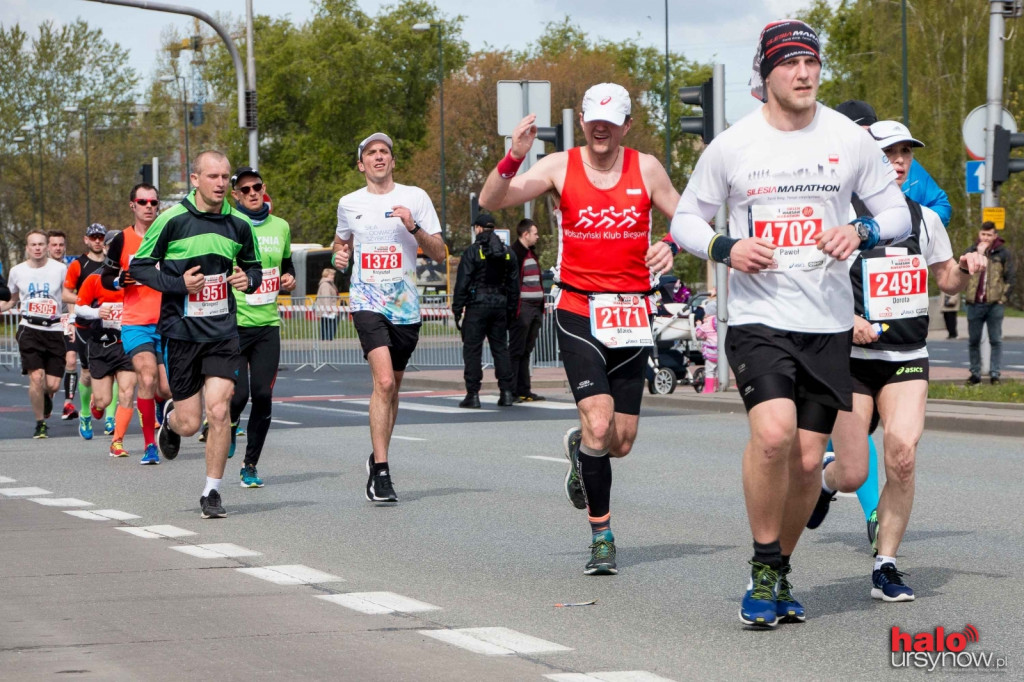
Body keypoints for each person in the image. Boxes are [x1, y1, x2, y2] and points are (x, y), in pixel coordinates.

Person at [670, 20, 912, 626]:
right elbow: (684, 222)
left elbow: (895, 214)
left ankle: (779, 568)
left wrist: (860, 230)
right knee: (774, 436)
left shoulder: (848, 140)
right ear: (768, 73)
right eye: (791, 64)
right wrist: (725, 247)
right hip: (758, 317)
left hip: (826, 322)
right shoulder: (732, 145)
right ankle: (761, 565)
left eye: (812, 63)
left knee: (809, 462)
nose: (804, 74)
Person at [479, 82, 678, 576]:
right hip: (579, 308)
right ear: (584, 122)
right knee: (599, 423)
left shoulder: (646, 167)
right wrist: (513, 158)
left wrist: (672, 241)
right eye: (594, 120)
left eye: (611, 121)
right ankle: (603, 535)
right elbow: (492, 199)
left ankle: (581, 453)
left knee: (621, 440)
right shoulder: (560, 166)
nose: (602, 128)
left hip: (632, 312)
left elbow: (695, 215)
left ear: (626, 125)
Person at [807, 120, 987, 602]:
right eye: (889, 153)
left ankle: (885, 565)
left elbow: (945, 279)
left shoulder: (924, 219)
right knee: (852, 473)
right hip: (852, 357)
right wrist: (848, 319)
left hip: (907, 356)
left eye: (906, 152)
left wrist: (965, 267)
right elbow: (811, 285)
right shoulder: (843, 216)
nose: (900, 161)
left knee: (902, 458)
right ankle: (826, 483)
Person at [131, 150, 263, 518]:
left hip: (222, 330)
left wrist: (246, 280)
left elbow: (254, 270)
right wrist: (177, 284)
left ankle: (212, 492)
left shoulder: (239, 224)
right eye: (213, 177)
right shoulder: (171, 220)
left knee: (219, 410)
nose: (221, 183)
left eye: (225, 178)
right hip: (183, 331)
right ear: (195, 179)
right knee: (190, 423)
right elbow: (140, 267)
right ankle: (170, 423)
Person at [332, 132, 446, 503]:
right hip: (366, 300)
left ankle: (377, 455)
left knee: (392, 388)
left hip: (404, 305)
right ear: (361, 164)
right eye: (371, 153)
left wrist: (413, 226)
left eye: (385, 152)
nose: (379, 157)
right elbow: (341, 241)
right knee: (382, 382)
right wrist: (339, 257)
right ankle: (381, 470)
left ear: (393, 161)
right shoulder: (349, 203)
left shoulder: (415, 198)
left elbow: (441, 253)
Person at [228, 166, 297, 487]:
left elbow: (287, 265)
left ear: (263, 187)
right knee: (238, 395)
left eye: (256, 187)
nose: (252, 192)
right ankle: (228, 424)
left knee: (262, 395)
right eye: (245, 189)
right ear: (236, 195)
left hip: (268, 324)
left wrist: (289, 279)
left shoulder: (281, 226)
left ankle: (250, 464)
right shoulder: (230, 224)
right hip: (235, 324)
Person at [102, 184, 171, 461]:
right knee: (146, 375)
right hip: (136, 323)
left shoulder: (168, 237)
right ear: (132, 205)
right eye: (142, 201)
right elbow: (106, 277)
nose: (149, 206)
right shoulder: (122, 239)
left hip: (168, 323)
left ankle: (156, 403)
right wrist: (120, 280)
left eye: (154, 202)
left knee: (166, 389)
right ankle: (149, 446)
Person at [74, 231, 144, 460]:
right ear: (106, 251)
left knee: (126, 393)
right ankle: (96, 403)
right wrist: (96, 312)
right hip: (100, 344)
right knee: (104, 401)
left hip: (126, 343)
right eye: (112, 248)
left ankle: (117, 441)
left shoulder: (136, 279)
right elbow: (79, 307)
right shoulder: (95, 278)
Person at [834, 100, 952, 227]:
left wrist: (909, 225)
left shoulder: (907, 165)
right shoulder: (825, 174)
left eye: (869, 133)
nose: (865, 141)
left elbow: (941, 206)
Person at [1, 230, 68, 438]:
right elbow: (12, 300)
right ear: (27, 248)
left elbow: (68, 297)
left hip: (55, 329)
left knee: (53, 384)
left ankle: (47, 396)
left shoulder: (60, 269)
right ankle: (40, 423)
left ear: (47, 246)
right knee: (36, 378)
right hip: (29, 328)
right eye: (33, 245)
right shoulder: (17, 271)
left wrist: (71, 321)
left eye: (41, 244)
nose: (38, 248)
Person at [452, 213, 519, 408]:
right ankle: (506, 393)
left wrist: (457, 308)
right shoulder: (508, 253)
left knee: (472, 350)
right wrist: (511, 310)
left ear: (479, 229)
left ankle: (473, 395)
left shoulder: (473, 252)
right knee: (501, 349)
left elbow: (462, 283)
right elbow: (514, 286)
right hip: (500, 306)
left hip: (476, 307)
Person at [63, 223, 111, 438]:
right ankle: (84, 414)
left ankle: (111, 418)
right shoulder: (78, 265)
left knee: (114, 371)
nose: (98, 241)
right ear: (86, 240)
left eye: (101, 237)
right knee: (88, 373)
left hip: (109, 323)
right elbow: (66, 294)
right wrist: (87, 302)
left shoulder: (112, 265)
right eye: (94, 237)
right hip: (85, 325)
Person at [964, 221, 1015, 385]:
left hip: (994, 304)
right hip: (974, 303)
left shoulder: (1002, 253)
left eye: (989, 235)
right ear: (979, 234)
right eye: (983, 234)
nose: (985, 238)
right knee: (973, 341)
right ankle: (975, 374)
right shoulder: (971, 251)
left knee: (995, 340)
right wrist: (979, 253)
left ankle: (995, 374)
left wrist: (1003, 297)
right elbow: (963, 273)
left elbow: (1010, 277)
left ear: (995, 236)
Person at [509, 218, 546, 402]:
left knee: (526, 350)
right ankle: (512, 390)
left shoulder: (531, 253)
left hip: (535, 309)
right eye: (535, 233)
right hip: (522, 309)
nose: (537, 237)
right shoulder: (515, 253)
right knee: (516, 350)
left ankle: (524, 389)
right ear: (525, 234)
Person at [46, 229, 81, 422]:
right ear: (47, 247)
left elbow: (71, 297)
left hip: (64, 319)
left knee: (71, 359)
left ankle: (68, 403)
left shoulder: (70, 268)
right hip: (45, 324)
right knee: (48, 370)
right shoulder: (41, 269)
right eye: (54, 245)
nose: (58, 248)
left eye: (61, 245)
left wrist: (73, 320)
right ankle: (47, 397)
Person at [693, 304, 718, 393]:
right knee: (719, 372)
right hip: (721, 352)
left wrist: (698, 325)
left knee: (710, 371)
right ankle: (718, 388)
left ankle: (709, 389)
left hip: (711, 352)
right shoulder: (720, 321)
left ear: (707, 313)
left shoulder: (707, 323)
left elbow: (699, 334)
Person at [316, 268, 340, 341]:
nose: (333, 276)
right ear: (326, 275)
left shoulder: (329, 283)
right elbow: (326, 297)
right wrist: (328, 309)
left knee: (326, 324)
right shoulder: (326, 285)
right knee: (330, 325)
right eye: (331, 274)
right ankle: (328, 340)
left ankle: (326, 339)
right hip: (328, 309)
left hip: (328, 309)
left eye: (333, 274)